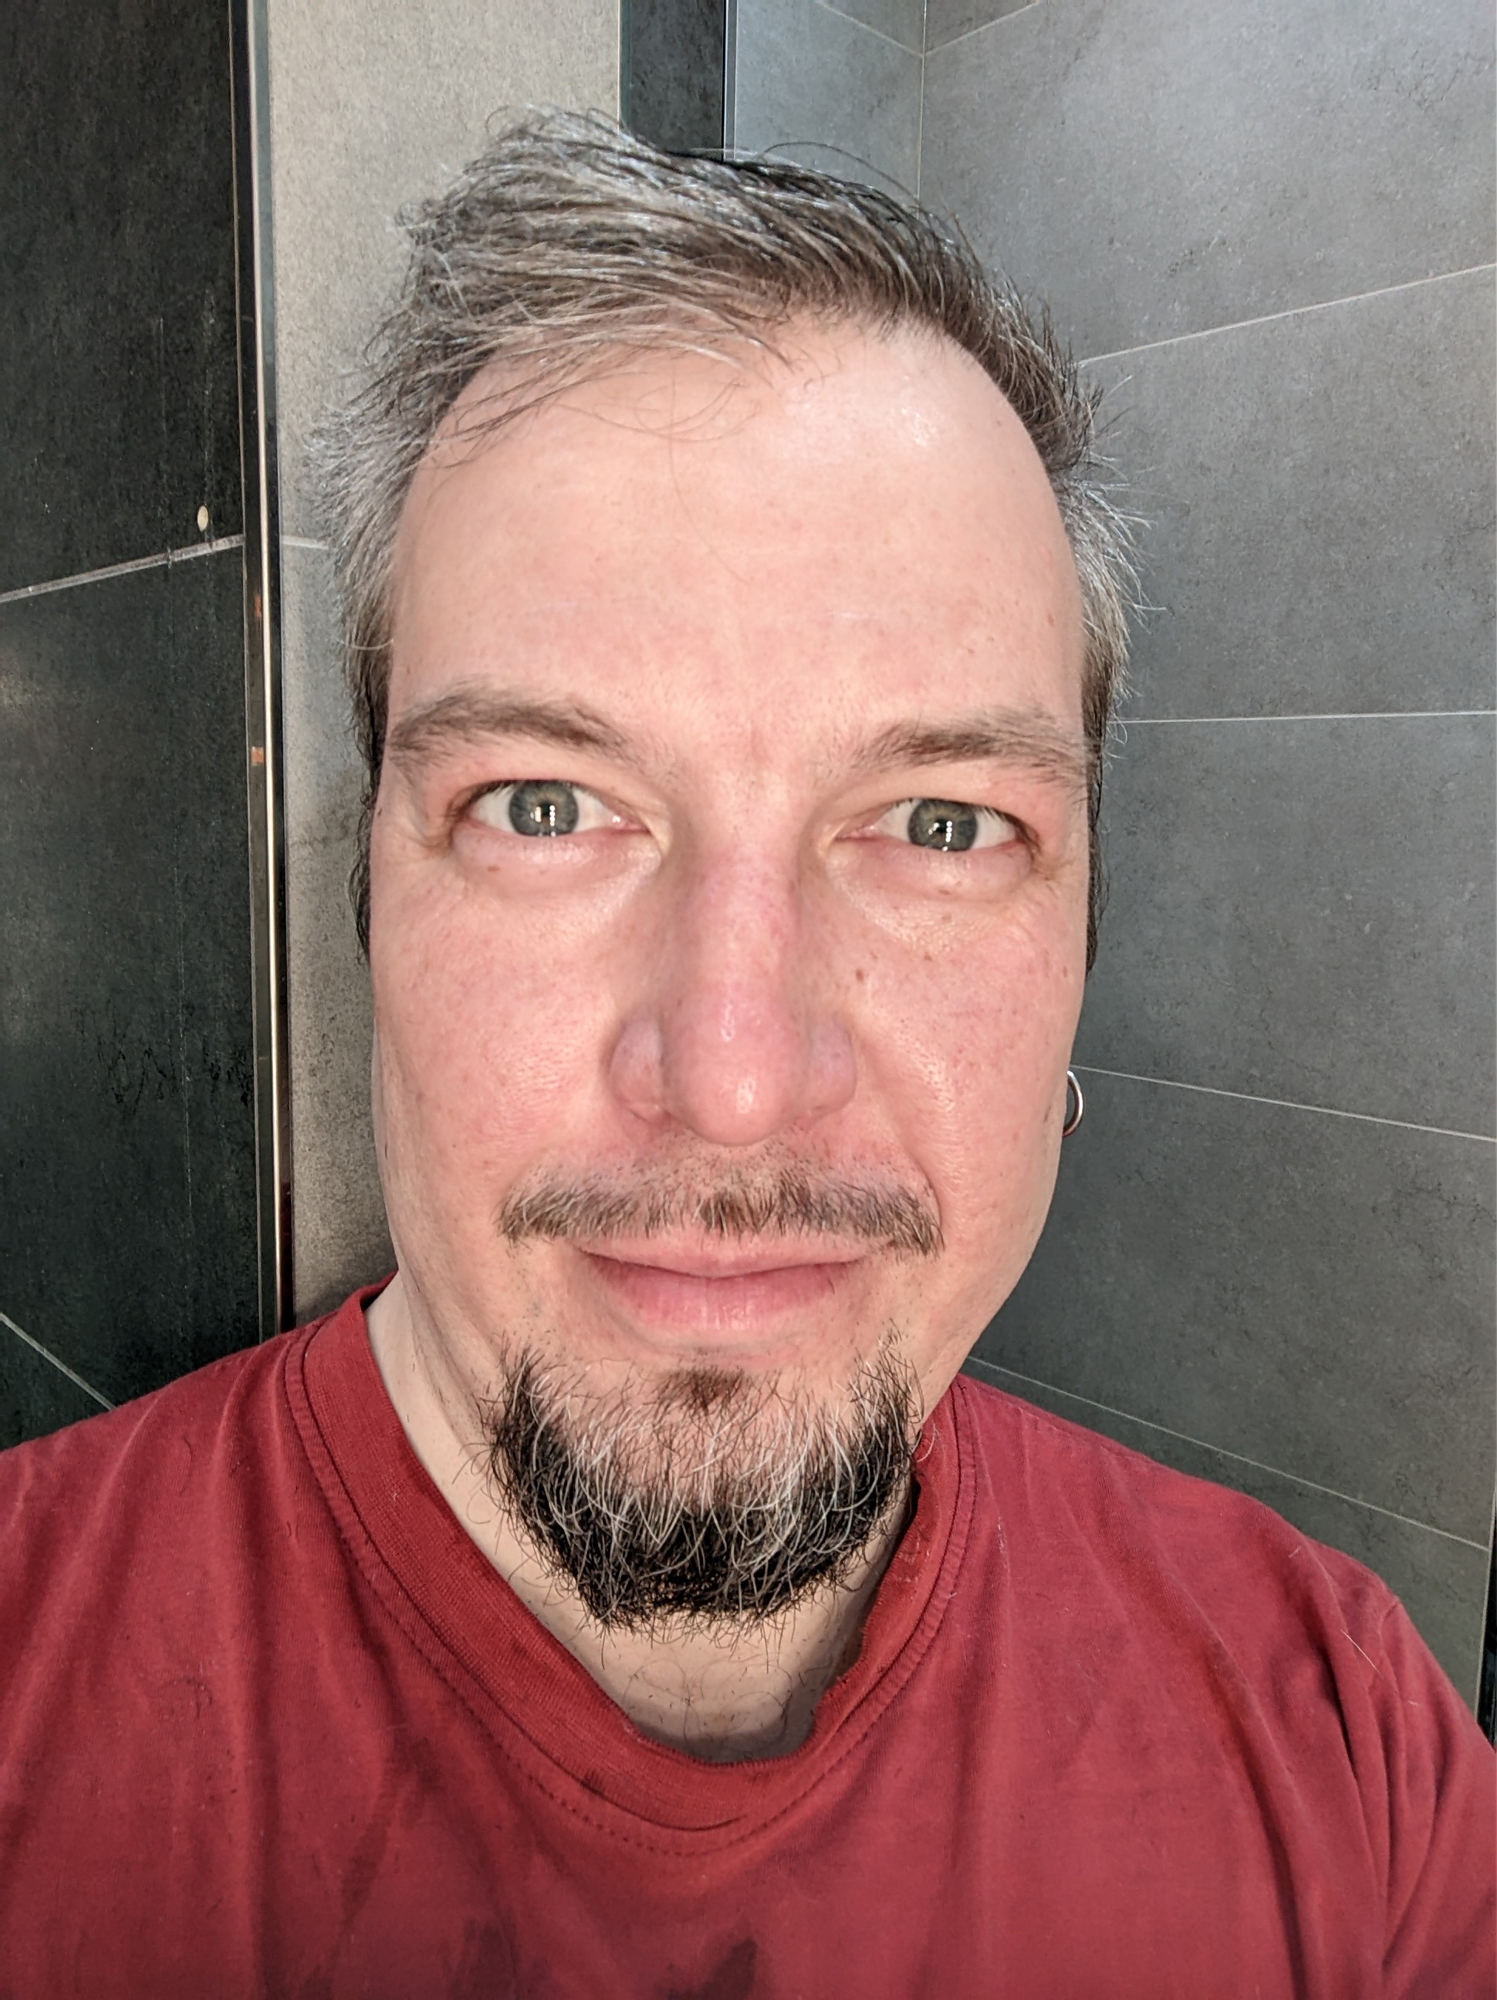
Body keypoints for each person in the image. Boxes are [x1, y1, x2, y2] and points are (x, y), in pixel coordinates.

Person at [0, 115, 1490, 1999]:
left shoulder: (1350, 1760)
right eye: (544, 804)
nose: (730, 1078)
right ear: (368, 904)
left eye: (940, 825)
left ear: (1082, 950)